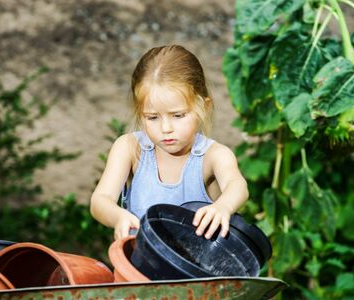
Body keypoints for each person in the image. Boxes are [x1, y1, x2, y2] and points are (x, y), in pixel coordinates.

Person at [90, 45, 248, 241]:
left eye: (178, 115)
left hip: (196, 270)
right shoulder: (129, 148)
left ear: (204, 107)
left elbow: (237, 185)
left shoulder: (214, 156)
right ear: (140, 113)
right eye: (152, 117)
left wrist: (223, 206)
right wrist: (119, 216)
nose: (166, 128)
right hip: (138, 266)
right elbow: (100, 200)